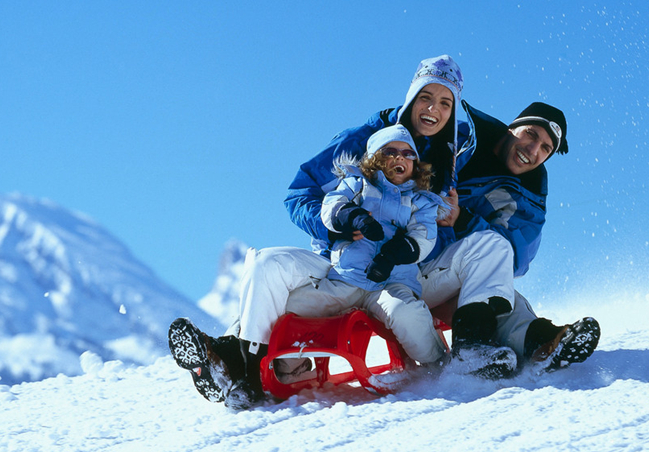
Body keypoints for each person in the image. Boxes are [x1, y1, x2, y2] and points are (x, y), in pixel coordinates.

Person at [168, 55, 467, 410]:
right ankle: (239, 362)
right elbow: (302, 195)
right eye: (425, 97)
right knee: (266, 268)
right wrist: (339, 227)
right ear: (410, 98)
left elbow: (428, 230)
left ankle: (231, 359)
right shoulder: (359, 145)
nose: (433, 109)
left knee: (406, 310)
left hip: (396, 278)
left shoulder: (446, 157)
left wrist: (439, 231)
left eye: (445, 102)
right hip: (338, 265)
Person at [418, 101, 600, 378]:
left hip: (446, 280)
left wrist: (462, 220)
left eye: (546, 148)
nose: (533, 150)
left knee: (500, 292)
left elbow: (515, 257)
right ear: (512, 128)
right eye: (531, 134)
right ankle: (470, 350)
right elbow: (393, 146)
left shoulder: (528, 197)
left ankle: (541, 342)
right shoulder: (458, 140)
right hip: (403, 269)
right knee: (491, 250)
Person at [285, 124, 450, 370]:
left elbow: (424, 236)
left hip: (391, 283)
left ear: (415, 164)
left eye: (408, 154)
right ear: (374, 159)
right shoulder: (357, 184)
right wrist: (354, 216)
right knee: (291, 306)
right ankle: (289, 367)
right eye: (390, 152)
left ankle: (438, 366)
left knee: (406, 313)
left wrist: (392, 255)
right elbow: (332, 206)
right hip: (345, 279)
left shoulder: (420, 201)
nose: (399, 158)